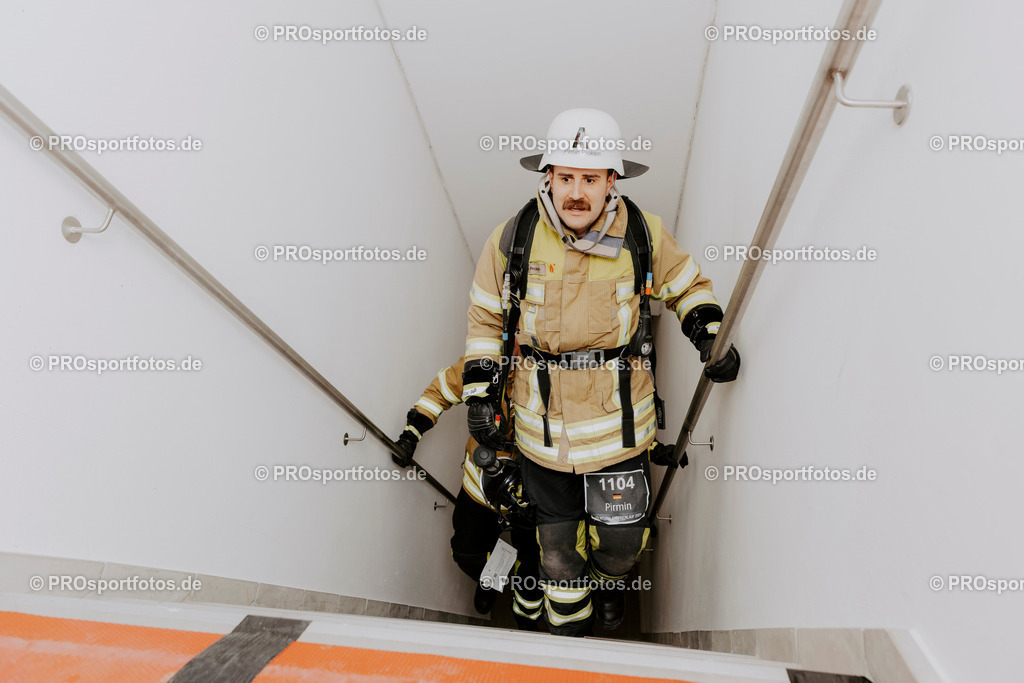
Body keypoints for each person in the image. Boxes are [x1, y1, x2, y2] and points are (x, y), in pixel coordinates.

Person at [461, 108, 740, 637]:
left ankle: (612, 585)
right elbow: (484, 314)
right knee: (558, 551)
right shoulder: (512, 239)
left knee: (620, 542)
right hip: (540, 436)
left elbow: (687, 285)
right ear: (548, 177)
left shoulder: (645, 233)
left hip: (619, 430)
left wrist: (709, 333)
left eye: (589, 179)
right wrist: (480, 392)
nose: (576, 193)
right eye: (565, 178)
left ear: (612, 180)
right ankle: (571, 633)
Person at [393, 355, 543, 631]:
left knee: (532, 566)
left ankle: (528, 620)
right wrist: (411, 434)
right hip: (479, 493)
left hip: (530, 500)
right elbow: (440, 390)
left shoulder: (558, 374)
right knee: (465, 553)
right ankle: (493, 579)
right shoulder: (487, 363)